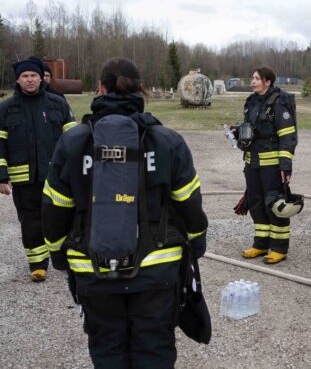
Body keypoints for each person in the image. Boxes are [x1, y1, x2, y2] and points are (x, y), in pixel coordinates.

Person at [42, 57, 208, 367]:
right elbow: (189, 203)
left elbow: (54, 208)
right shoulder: (167, 141)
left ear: (100, 88)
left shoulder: (73, 142)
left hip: (92, 270)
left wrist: (57, 255)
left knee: (107, 348)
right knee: (154, 348)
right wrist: (197, 244)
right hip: (157, 271)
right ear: (141, 89)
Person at [0, 57, 75, 282]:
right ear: (18, 80)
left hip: (56, 176)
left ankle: (66, 259)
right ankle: (38, 264)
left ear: (41, 77)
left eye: (34, 75)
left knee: (62, 216)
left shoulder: (58, 103)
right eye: (25, 76)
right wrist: (1, 175)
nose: (30, 80)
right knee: (31, 221)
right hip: (24, 179)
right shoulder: (5, 108)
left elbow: (73, 140)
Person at [236, 67, 297, 264]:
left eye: (256, 78)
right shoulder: (252, 102)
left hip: (272, 165)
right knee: (255, 203)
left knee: (273, 204)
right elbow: (252, 128)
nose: (252, 81)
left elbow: (288, 136)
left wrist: (285, 166)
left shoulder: (280, 102)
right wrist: (237, 132)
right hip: (252, 162)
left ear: (267, 81)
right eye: (252, 78)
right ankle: (261, 245)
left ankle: (279, 248)